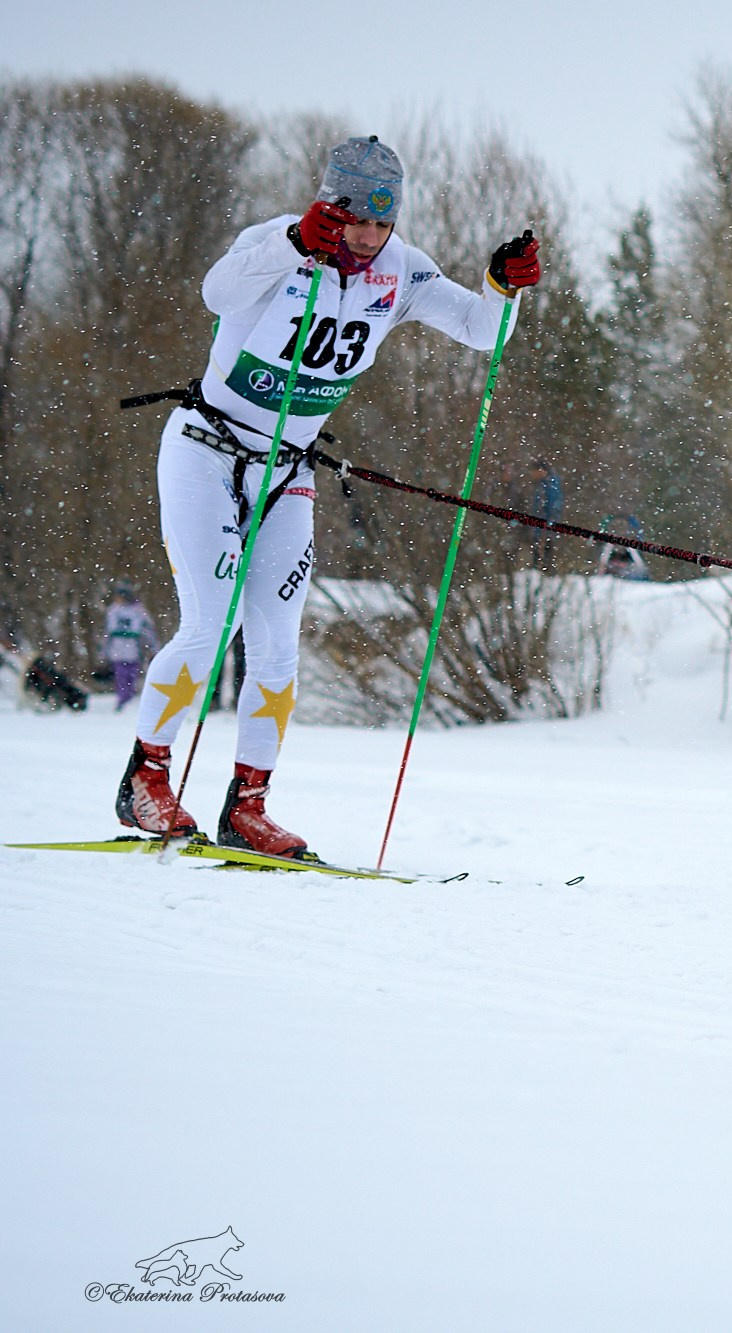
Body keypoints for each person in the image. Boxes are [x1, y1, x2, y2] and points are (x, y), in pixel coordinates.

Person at [117, 135, 542, 857]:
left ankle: (248, 806)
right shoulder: (280, 242)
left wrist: (504, 287)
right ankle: (144, 780)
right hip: (206, 453)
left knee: (278, 646)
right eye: (355, 220)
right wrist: (290, 244)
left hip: (287, 469)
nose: (369, 238)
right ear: (329, 205)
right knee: (211, 624)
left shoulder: (402, 271)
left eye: (382, 223)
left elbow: (481, 332)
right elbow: (215, 293)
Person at [101, 580, 158, 710]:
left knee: (132, 676)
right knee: (121, 676)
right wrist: (104, 652)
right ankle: (123, 699)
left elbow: (148, 630)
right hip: (118, 649)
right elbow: (107, 632)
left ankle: (129, 700)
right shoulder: (113, 610)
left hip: (134, 649)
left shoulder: (138, 610)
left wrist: (153, 648)